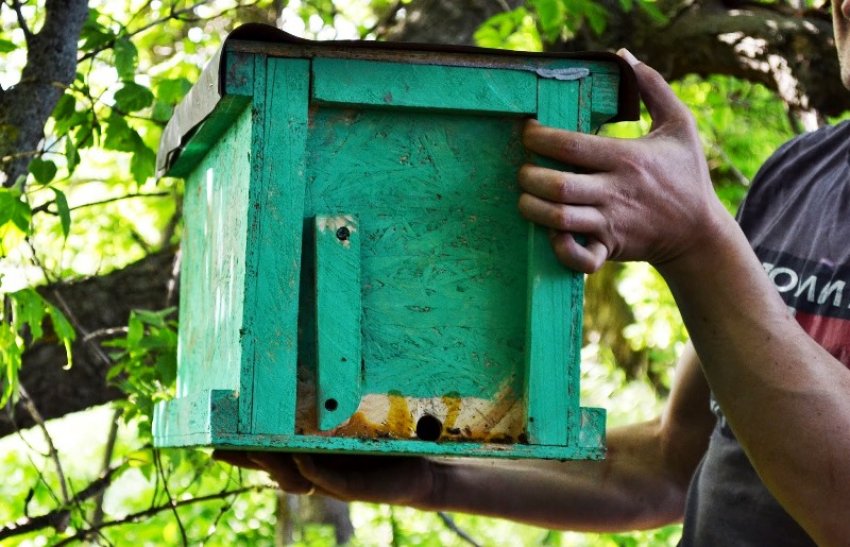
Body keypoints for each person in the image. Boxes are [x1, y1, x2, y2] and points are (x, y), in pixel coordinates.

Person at [217, 2, 850, 544]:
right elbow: (666, 465)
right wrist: (433, 477)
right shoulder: (798, 176)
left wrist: (698, 240)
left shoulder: (715, 232)